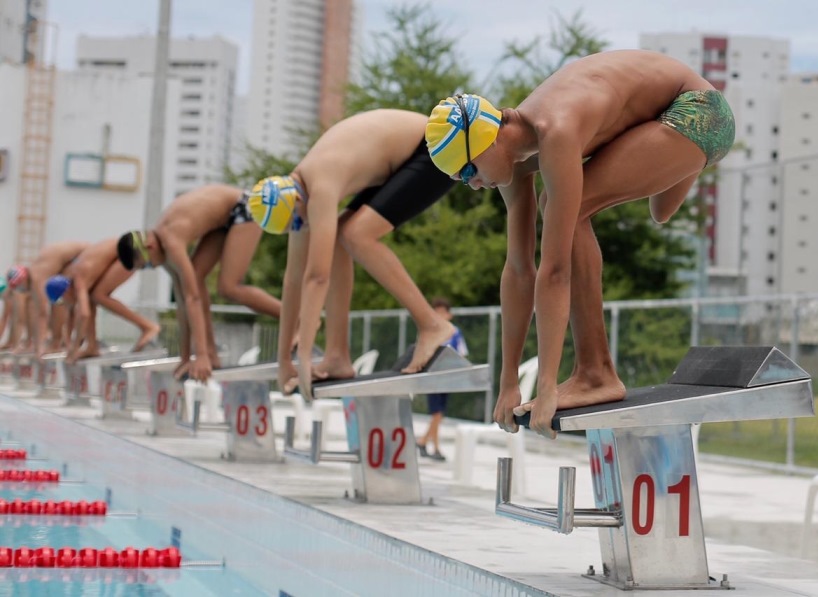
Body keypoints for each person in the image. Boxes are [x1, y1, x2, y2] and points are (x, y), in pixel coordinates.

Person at [426, 50, 735, 439]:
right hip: (654, 117)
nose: (471, 184)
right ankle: (677, 160)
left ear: (489, 140)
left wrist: (547, 387)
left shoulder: (555, 129)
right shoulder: (514, 160)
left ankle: (595, 373)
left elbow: (555, 270)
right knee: (653, 212)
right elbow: (520, 270)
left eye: (468, 169)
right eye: (459, 178)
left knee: (566, 207)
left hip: (701, 112)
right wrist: (508, 383)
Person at [247, 109, 457, 401]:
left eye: (298, 222)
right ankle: (337, 356)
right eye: (294, 227)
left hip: (437, 144)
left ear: (295, 200)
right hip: (401, 158)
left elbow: (317, 277)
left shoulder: (319, 187)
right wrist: (284, 361)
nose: (301, 228)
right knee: (339, 238)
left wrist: (304, 356)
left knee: (356, 235)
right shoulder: (295, 194)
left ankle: (433, 325)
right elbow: (293, 280)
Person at [116, 184, 281, 382]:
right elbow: (183, 306)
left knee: (228, 287)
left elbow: (193, 298)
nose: (153, 268)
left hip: (245, 206)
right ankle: (211, 353)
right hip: (223, 219)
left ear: (149, 247)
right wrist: (185, 357)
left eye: (148, 265)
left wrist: (199, 356)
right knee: (196, 276)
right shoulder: (163, 252)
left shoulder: (171, 241)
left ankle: (296, 322)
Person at [45, 237, 161, 363]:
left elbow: (83, 314)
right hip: (118, 252)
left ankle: (148, 326)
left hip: (128, 252)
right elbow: (72, 315)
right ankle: (92, 346)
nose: (65, 304)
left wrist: (73, 349)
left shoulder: (79, 278)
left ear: (65, 291)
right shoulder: (72, 281)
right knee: (91, 298)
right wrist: (67, 345)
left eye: (62, 300)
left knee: (99, 296)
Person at [6, 241, 90, 357]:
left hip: (84, 255)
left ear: (23, 281)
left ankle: (61, 342)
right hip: (78, 255)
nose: (22, 292)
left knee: (59, 300)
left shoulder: (36, 278)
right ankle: (62, 341)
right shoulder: (38, 271)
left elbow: (42, 314)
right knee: (57, 299)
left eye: (20, 289)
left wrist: (39, 349)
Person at [416, 297, 468, 461]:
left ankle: (424, 442)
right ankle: (432, 445)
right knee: (436, 413)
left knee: (439, 414)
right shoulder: (429, 332)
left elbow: (461, 353)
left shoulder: (455, 332)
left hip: (447, 377)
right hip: (433, 376)